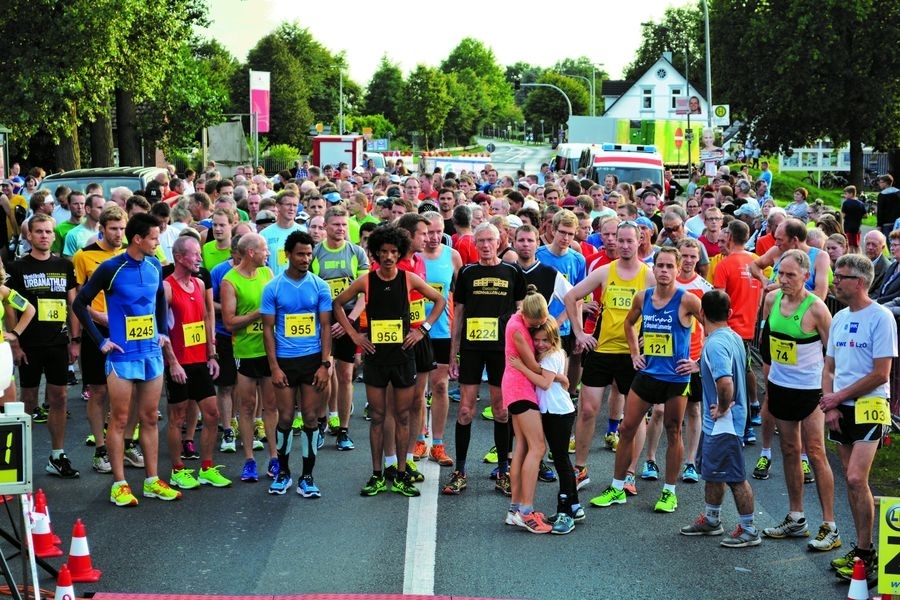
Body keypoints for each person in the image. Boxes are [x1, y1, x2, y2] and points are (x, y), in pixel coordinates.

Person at [73, 213, 181, 506]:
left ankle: (152, 480)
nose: (158, 243)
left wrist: (162, 331)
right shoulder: (111, 267)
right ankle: (119, 484)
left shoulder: (154, 264)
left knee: (149, 417)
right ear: (138, 239)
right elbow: (80, 303)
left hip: (150, 354)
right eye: (154, 238)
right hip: (122, 357)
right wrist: (101, 341)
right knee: (119, 420)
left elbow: (160, 299)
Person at [333, 225, 445, 498]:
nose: (388, 256)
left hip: (403, 356)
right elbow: (337, 304)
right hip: (375, 357)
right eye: (383, 251)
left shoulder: (408, 279)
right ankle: (377, 474)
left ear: (399, 253)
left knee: (403, 416)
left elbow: (439, 300)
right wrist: (355, 336)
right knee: (378, 417)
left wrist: (422, 330)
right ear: (376, 253)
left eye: (394, 252)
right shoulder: (366, 281)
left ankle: (402, 473)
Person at [590, 247, 701, 512]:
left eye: (669, 266)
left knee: (673, 431)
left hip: (675, 378)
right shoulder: (643, 297)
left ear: (677, 269)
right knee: (626, 428)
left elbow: (714, 327)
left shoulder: (687, 300)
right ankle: (617, 487)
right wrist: (634, 353)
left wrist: (698, 363)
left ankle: (669, 493)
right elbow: (629, 324)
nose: (664, 270)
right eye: (660, 265)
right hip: (647, 374)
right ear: (654, 268)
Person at [756, 250, 839, 553]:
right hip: (781, 386)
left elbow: (834, 354)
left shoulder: (816, 308)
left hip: (811, 391)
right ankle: (796, 517)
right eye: (781, 273)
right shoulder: (771, 299)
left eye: (791, 275)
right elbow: (767, 343)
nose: (784, 279)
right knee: (790, 450)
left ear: (806, 276)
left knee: (815, 452)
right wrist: (768, 378)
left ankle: (830, 525)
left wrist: (831, 394)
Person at [822, 254, 897, 583]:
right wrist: (831, 405)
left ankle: (867, 553)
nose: (835, 281)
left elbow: (881, 373)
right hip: (841, 407)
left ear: (860, 282)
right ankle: (862, 549)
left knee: (855, 478)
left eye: (841, 276)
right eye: (835, 275)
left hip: (870, 404)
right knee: (854, 483)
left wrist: (838, 397)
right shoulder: (839, 317)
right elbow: (829, 368)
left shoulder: (881, 317)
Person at [564, 221, 654, 493]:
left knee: (635, 417)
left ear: (639, 241)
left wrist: (649, 339)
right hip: (601, 350)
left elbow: (666, 309)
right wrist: (579, 333)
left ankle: (629, 473)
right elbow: (571, 297)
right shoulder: (606, 271)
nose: (624, 245)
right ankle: (580, 468)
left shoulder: (648, 276)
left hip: (631, 355)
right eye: (619, 239)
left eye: (629, 240)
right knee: (587, 410)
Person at [443, 223, 527, 496]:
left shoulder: (512, 271)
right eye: (481, 241)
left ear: (499, 241)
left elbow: (521, 312)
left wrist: (522, 350)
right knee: (465, 410)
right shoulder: (468, 272)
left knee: (501, 410)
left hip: (502, 350)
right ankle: (460, 471)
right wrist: (453, 352)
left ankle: (503, 471)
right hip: (472, 348)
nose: (486, 245)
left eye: (490, 240)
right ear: (475, 244)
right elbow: (459, 313)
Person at [679, 289, 760, 548]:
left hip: (725, 423)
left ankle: (749, 529)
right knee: (713, 471)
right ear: (730, 313)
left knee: (734, 476)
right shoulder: (733, 337)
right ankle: (712, 519)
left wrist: (723, 407)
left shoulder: (714, 344)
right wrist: (699, 365)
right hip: (719, 423)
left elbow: (725, 382)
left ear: (701, 313)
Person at [263, 231, 333, 497]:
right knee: (285, 417)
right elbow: (267, 329)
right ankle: (283, 473)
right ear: (288, 255)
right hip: (284, 361)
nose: (306, 259)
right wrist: (274, 367)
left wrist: (325, 364)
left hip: (312, 360)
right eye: (300, 254)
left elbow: (325, 326)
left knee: (311, 417)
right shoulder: (273, 287)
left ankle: (307, 476)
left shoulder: (320, 286)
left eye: (309, 254)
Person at [6, 214, 76, 477]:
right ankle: (21, 459)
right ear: (29, 235)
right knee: (28, 400)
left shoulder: (64, 266)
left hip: (58, 342)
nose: (44, 236)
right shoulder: (16, 268)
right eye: (39, 231)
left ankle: (57, 455)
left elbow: (72, 304)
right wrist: (15, 343)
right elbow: (11, 307)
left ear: (53, 235)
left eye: (48, 231)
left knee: (60, 397)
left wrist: (75, 340)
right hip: (29, 345)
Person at [161, 235, 232, 491]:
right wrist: (172, 363)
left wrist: (212, 355)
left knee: (212, 414)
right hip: (178, 363)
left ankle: (206, 468)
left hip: (200, 360)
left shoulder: (200, 284)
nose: (200, 258)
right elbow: (161, 329)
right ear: (179, 257)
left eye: (200, 253)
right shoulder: (167, 287)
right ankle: (177, 470)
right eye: (195, 254)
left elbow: (204, 320)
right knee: (177, 418)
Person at [509, 316, 582, 534]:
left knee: (561, 460)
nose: (540, 344)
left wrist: (521, 367)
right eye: (537, 340)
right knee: (560, 458)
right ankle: (575, 507)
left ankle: (565, 511)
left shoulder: (551, 355)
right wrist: (560, 377)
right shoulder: (547, 355)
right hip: (551, 412)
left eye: (545, 340)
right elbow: (551, 377)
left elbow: (544, 382)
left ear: (554, 339)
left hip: (559, 413)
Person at [311, 207, 369, 452]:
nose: (341, 229)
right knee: (324, 373)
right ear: (325, 226)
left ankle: (344, 430)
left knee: (346, 375)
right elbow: (311, 290)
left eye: (344, 224)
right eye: (336, 224)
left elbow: (365, 292)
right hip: (323, 320)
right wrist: (327, 320)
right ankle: (322, 422)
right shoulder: (315, 253)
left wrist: (348, 321)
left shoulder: (356, 252)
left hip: (349, 317)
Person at [221, 233, 276, 483]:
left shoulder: (267, 273)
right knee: (246, 406)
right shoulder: (230, 281)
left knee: (271, 405)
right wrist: (258, 313)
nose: (268, 253)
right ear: (251, 252)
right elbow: (229, 322)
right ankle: (249, 460)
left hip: (269, 349)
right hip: (245, 352)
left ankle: (274, 457)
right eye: (264, 249)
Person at [501, 287, 553, 533]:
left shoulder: (519, 320)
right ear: (526, 314)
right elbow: (532, 365)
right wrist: (557, 374)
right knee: (538, 447)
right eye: (536, 323)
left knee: (522, 447)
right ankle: (525, 511)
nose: (539, 326)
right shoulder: (517, 328)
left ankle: (515, 509)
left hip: (517, 387)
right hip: (520, 388)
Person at [840, 186, 866, 254]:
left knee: (850, 245)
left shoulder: (846, 203)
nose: (845, 195)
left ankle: (851, 258)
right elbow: (865, 215)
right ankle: (859, 256)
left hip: (848, 227)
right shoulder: (861, 204)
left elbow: (842, 216)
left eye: (846, 194)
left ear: (851, 194)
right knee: (857, 245)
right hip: (857, 227)